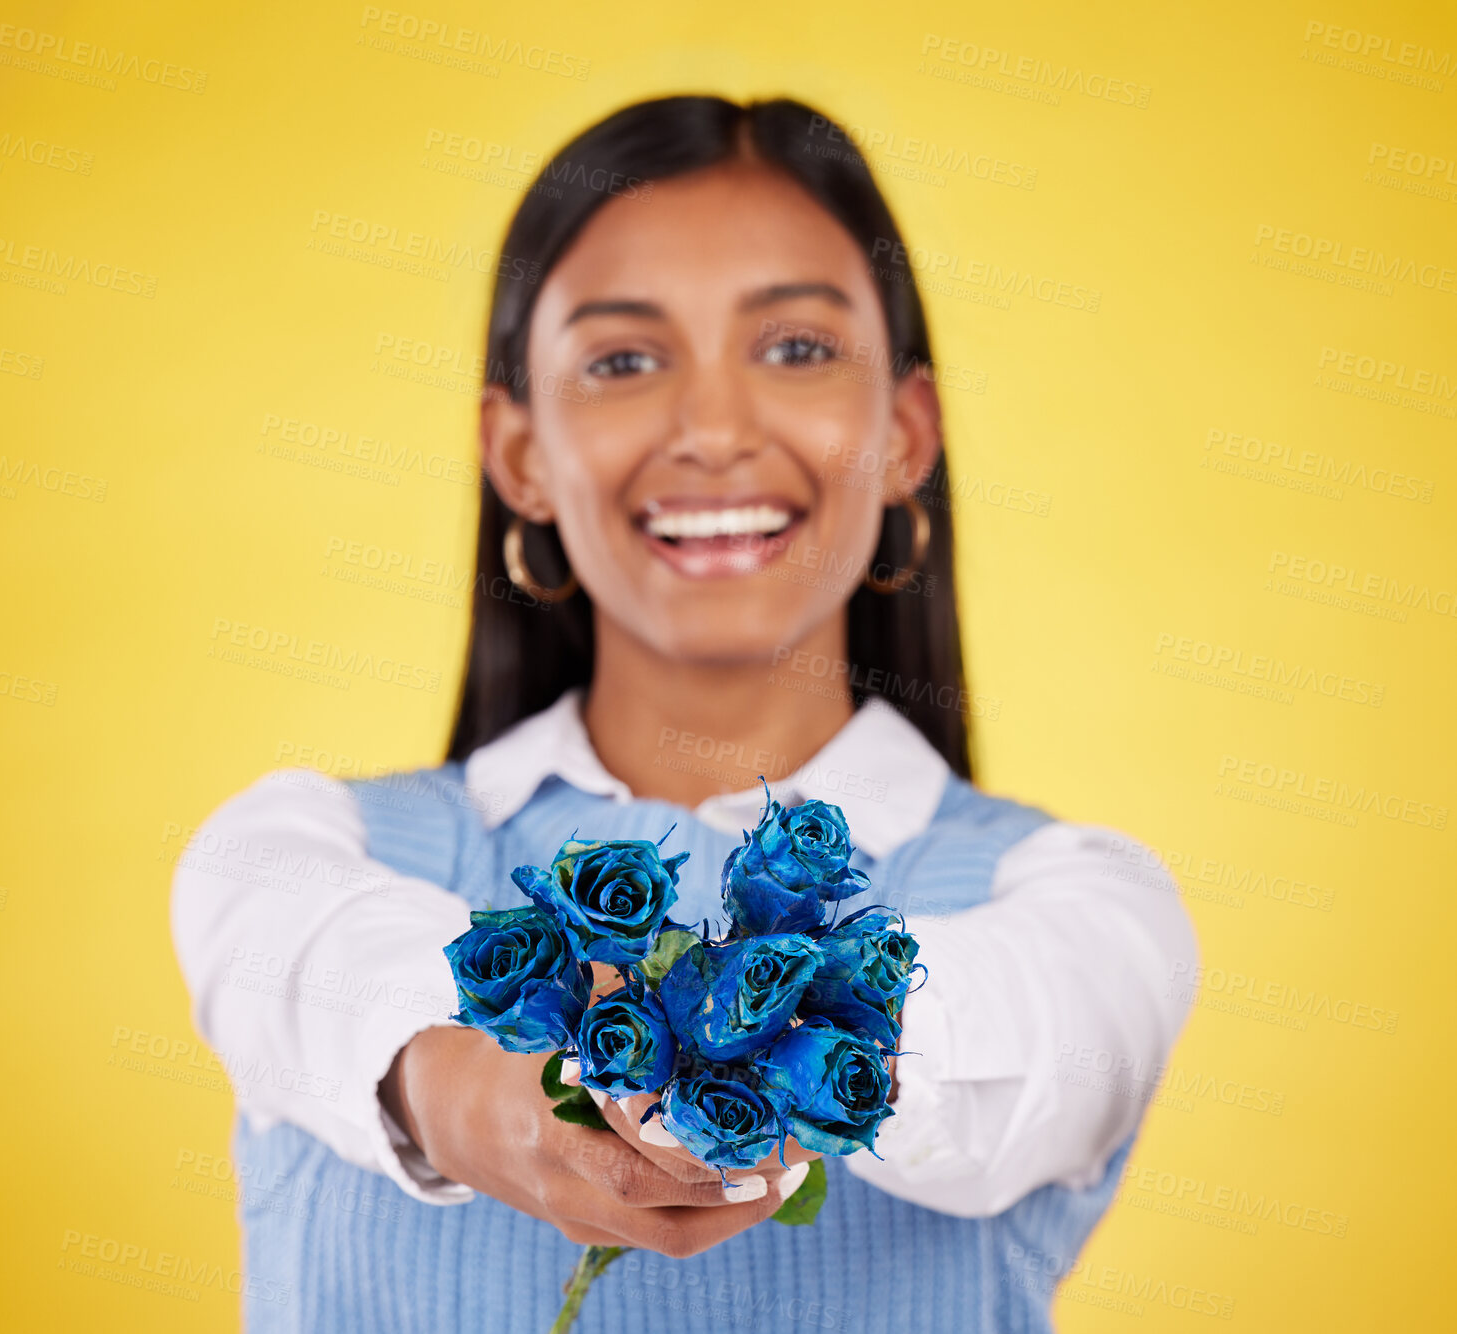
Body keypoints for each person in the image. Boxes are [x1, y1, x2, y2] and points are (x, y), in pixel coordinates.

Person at [171, 94, 1197, 1333]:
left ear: (905, 435)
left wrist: (674, 1053)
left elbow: (1013, 1049)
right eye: (621, 361)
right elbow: (318, 967)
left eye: (799, 349)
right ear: (521, 453)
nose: (712, 431)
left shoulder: (1086, 907)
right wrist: (473, 1088)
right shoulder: (290, 853)